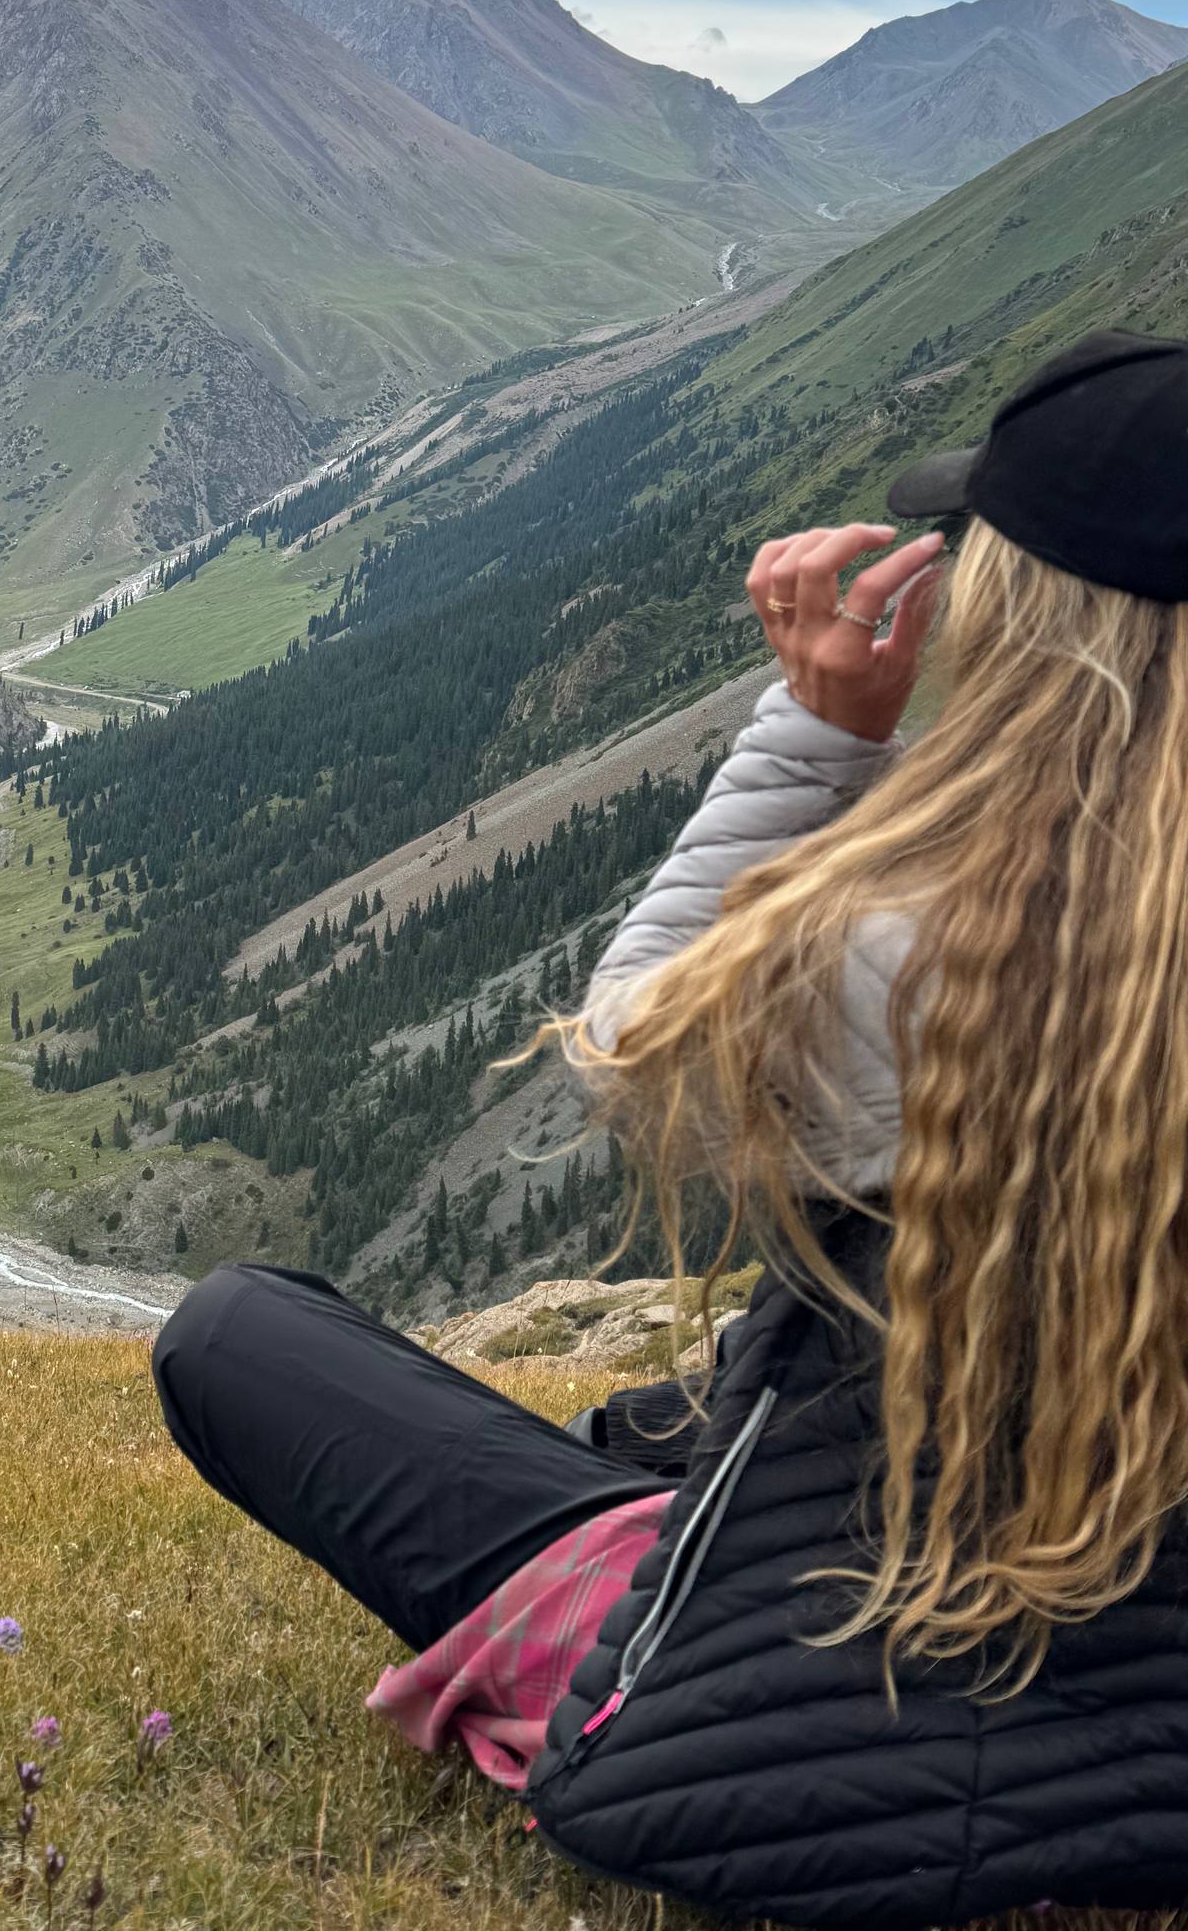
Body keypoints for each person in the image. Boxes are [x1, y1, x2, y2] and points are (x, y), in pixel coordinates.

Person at [153, 329, 1188, 1928]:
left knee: (238, 1332)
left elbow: (634, 1041)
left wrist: (821, 732)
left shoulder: (903, 951)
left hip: (816, 1744)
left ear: (1031, 622)